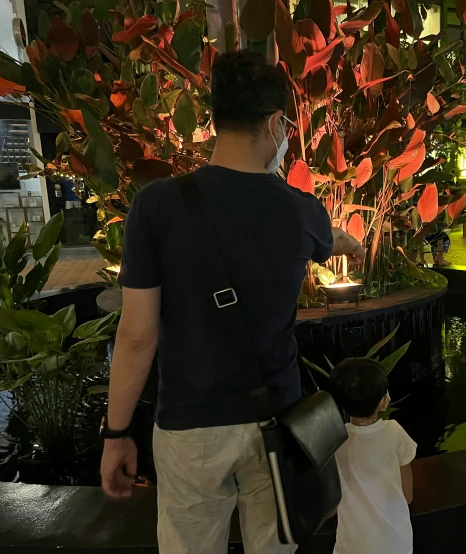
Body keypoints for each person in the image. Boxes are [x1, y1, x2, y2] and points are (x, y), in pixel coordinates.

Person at [99, 52, 365, 553]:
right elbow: (329, 239)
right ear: (274, 123)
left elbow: (137, 336)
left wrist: (116, 432)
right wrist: (344, 242)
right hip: (277, 424)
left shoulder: (155, 207)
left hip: (191, 427)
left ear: (216, 120)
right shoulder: (301, 211)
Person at [329, 358, 416, 554]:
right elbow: (407, 495)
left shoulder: (334, 442)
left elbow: (330, 508)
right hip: (396, 543)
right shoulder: (395, 433)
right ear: (384, 401)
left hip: (353, 545)